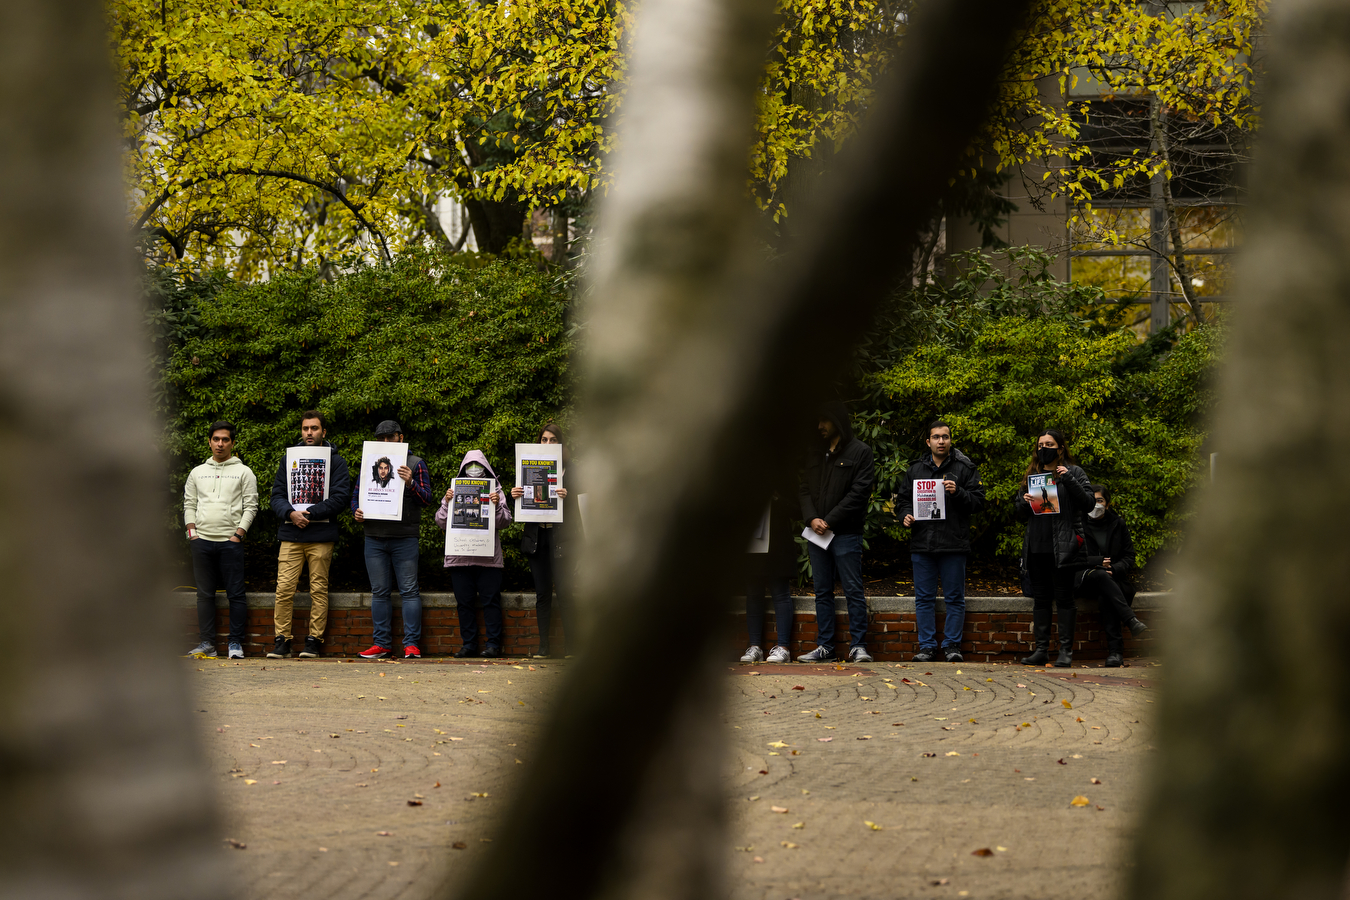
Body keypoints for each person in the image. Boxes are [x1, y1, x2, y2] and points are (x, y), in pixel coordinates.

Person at [266, 410, 352, 659]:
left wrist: (310, 514)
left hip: (321, 535)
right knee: (283, 589)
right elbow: (277, 496)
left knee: (318, 589)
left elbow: (339, 498)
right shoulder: (288, 459)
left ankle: (314, 640)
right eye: (305, 429)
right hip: (290, 534)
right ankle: (282, 640)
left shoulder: (336, 462)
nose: (309, 433)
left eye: (314, 428)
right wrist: (291, 514)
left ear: (323, 432)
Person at [898, 420, 985, 664]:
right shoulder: (915, 470)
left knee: (954, 598)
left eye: (945, 437)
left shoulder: (964, 468)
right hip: (922, 543)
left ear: (950, 439)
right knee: (923, 599)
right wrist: (904, 515)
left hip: (953, 544)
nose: (941, 441)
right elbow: (902, 500)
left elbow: (979, 502)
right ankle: (926, 647)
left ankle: (952, 646)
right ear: (928, 442)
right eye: (936, 437)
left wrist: (959, 492)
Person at [797, 402, 876, 664]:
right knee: (822, 591)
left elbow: (859, 494)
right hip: (817, 533)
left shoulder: (861, 452)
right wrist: (812, 518)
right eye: (818, 421)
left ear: (837, 421)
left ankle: (859, 647)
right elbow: (804, 488)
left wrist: (828, 521)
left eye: (825, 421)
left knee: (853, 589)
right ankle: (826, 647)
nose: (819, 426)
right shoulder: (814, 451)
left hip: (846, 533)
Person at [1014, 429, 1095, 668]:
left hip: (1063, 546)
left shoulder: (1074, 472)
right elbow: (1018, 515)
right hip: (1037, 546)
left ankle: (1065, 651)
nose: (1044, 449)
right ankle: (1041, 649)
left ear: (1060, 448)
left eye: (1049, 444)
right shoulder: (1033, 474)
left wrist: (1068, 478)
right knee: (1041, 599)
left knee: (1064, 598)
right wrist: (1024, 502)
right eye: (1040, 445)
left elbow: (1088, 503)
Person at [353, 420, 434, 660]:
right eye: (382, 439)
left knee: (409, 591)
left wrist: (410, 482)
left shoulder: (415, 463)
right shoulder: (370, 461)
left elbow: (427, 499)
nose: (386, 442)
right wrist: (356, 510)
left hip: (405, 537)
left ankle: (411, 645)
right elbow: (357, 495)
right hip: (374, 537)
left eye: (390, 437)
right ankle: (381, 644)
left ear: (401, 437)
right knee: (379, 592)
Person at [184, 420, 258, 659]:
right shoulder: (197, 472)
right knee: (204, 594)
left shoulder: (244, 472)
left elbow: (251, 506)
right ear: (209, 442)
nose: (220, 444)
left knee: (235, 594)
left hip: (230, 542)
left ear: (232, 443)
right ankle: (207, 643)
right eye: (216, 439)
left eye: (225, 440)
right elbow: (189, 505)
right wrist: (192, 533)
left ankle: (235, 643)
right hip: (201, 541)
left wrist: (239, 534)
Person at [435, 449, 513, 658]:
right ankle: (469, 645)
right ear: (463, 469)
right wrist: (446, 502)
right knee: (464, 604)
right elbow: (441, 522)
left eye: (478, 466)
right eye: (470, 466)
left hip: (488, 559)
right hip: (459, 558)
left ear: (486, 468)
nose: (474, 469)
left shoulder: (495, 489)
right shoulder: (454, 490)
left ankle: (493, 645)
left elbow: (505, 521)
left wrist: (496, 506)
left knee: (491, 602)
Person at [510, 423, 575, 659]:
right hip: (537, 538)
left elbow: (584, 509)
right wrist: (515, 495)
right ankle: (544, 647)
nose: (548, 444)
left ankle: (571, 649)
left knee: (566, 593)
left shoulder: (572, 471)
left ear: (561, 443)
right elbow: (522, 506)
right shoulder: (527, 466)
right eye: (544, 440)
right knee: (542, 594)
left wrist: (568, 497)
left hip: (561, 539)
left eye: (553, 440)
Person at [1078, 484, 1147, 667]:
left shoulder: (1118, 524)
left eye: (1099, 500)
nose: (1096, 504)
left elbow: (1129, 556)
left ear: (1107, 504)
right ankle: (1129, 622)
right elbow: (1072, 557)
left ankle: (1115, 654)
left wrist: (1114, 569)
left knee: (1106, 594)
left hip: (1113, 579)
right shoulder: (1077, 524)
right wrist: (1098, 562)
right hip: (1087, 577)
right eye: (1092, 500)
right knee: (1101, 579)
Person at [740, 488, 798, 664]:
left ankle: (783, 648)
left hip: (777, 545)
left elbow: (798, 510)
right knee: (754, 595)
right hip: (752, 544)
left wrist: (777, 497)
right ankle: (755, 647)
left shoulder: (783, 477)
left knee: (780, 593)